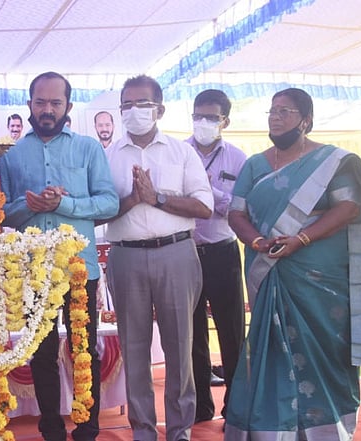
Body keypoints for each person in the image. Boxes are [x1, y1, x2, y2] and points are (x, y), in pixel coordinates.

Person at [224, 87, 361, 440]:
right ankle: (273, 430)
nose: (275, 116)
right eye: (272, 110)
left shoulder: (331, 161)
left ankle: (329, 430)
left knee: (324, 349)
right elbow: (235, 212)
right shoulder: (255, 164)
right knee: (270, 350)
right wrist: (256, 241)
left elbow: (350, 207)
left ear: (306, 120)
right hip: (270, 268)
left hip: (319, 273)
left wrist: (300, 239)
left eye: (285, 110)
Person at [0, 71, 119, 441]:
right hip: (35, 270)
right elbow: (1, 211)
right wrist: (28, 205)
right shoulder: (11, 153)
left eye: (55, 102)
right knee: (42, 353)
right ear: (29, 104)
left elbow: (109, 202)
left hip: (79, 267)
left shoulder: (87, 148)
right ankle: (50, 426)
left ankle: (87, 427)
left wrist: (63, 203)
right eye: (40, 102)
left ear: (68, 105)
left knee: (85, 349)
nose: (47, 109)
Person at [102, 74, 212, 441]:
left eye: (142, 104)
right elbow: (97, 211)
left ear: (160, 109)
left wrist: (157, 198)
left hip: (176, 254)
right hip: (127, 257)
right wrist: (133, 199)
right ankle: (144, 432)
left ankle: (179, 431)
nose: (134, 112)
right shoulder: (109, 156)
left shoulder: (182, 152)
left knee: (179, 347)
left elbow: (204, 206)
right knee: (133, 349)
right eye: (127, 105)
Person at [184, 89, 246, 423]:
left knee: (231, 331)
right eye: (197, 116)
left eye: (210, 117)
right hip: (185, 252)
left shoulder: (238, 158)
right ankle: (199, 407)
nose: (202, 123)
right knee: (191, 334)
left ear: (225, 121)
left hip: (223, 252)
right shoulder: (178, 152)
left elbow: (240, 207)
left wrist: (210, 192)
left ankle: (236, 408)